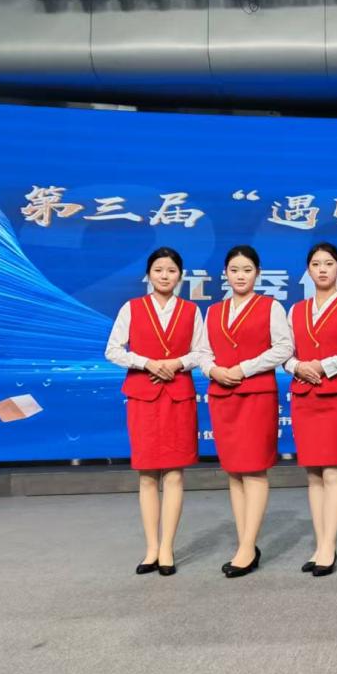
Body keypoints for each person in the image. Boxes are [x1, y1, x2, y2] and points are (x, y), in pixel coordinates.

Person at [105, 247, 206, 577]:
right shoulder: (132, 308)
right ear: (148, 274)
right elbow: (113, 350)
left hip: (178, 396)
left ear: (180, 276)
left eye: (171, 270)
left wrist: (176, 363)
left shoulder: (191, 310)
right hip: (143, 397)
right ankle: (151, 548)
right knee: (147, 474)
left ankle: (167, 549)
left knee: (174, 474)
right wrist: (147, 362)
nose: (165, 275)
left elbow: (202, 351)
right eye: (159, 270)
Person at [200, 245, 293, 578]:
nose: (240, 276)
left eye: (247, 270)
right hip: (223, 395)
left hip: (256, 395)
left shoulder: (271, 307)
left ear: (258, 273)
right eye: (235, 270)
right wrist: (213, 370)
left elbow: (284, 348)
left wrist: (244, 368)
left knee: (253, 470)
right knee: (234, 472)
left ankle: (247, 547)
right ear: (226, 273)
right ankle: (245, 544)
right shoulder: (214, 311)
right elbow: (202, 351)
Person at [284, 242, 337, 578]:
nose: (322, 269)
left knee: (332, 471)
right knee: (313, 474)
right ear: (308, 270)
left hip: (334, 395)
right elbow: (284, 352)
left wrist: (323, 365)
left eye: (329, 263)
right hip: (304, 395)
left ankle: (329, 546)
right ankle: (319, 543)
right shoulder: (296, 310)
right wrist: (297, 366)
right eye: (316, 264)